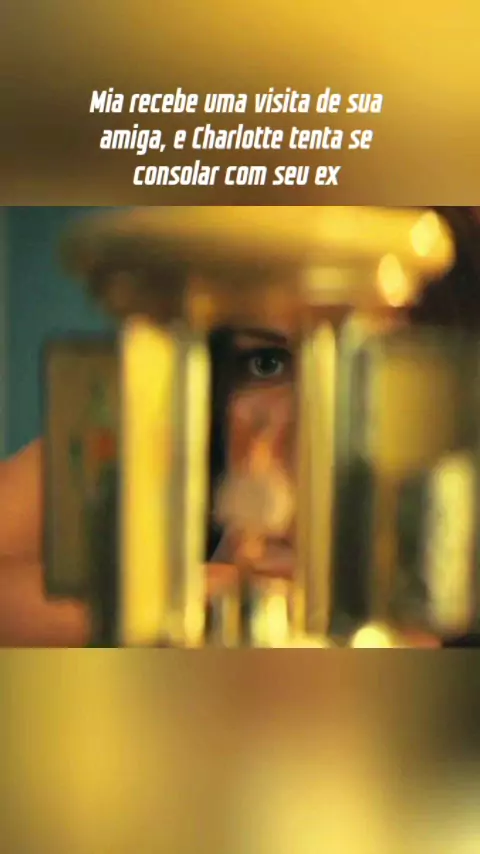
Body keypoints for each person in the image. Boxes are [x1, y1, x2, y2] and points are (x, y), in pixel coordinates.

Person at [1, 206, 479, 647]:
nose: (301, 420)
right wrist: (209, 599)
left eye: (365, 362)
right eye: (267, 362)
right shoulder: (181, 422)